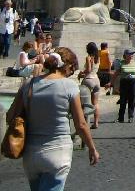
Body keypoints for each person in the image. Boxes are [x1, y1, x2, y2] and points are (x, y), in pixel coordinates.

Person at [6, 47, 99, 190]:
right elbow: (80, 124)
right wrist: (92, 148)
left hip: (31, 154)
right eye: (72, 69)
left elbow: (10, 116)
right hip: (57, 152)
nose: (71, 73)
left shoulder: (28, 84)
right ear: (67, 65)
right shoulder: (70, 86)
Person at [113, 48, 135, 123]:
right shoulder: (121, 63)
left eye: (132, 54)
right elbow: (116, 74)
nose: (131, 56)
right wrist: (111, 83)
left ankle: (131, 116)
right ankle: (121, 118)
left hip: (133, 83)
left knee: (132, 100)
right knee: (123, 100)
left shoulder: (134, 63)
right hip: (124, 82)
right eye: (130, 54)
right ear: (125, 55)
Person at [79, 42, 101, 129]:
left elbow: (88, 70)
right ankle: (96, 123)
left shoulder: (88, 58)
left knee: (84, 102)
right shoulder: (98, 58)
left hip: (89, 80)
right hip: (96, 80)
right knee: (95, 103)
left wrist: (81, 73)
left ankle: (85, 121)